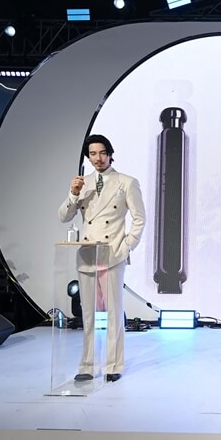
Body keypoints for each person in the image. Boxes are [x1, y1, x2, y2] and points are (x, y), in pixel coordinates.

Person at [58, 134, 146, 383]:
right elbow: (63, 217)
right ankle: (87, 365)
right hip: (87, 253)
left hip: (112, 253)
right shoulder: (82, 184)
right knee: (88, 314)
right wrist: (73, 194)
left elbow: (139, 218)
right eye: (93, 154)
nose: (98, 158)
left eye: (102, 153)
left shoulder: (126, 182)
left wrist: (127, 245)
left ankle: (113, 365)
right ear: (88, 157)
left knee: (113, 313)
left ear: (110, 154)